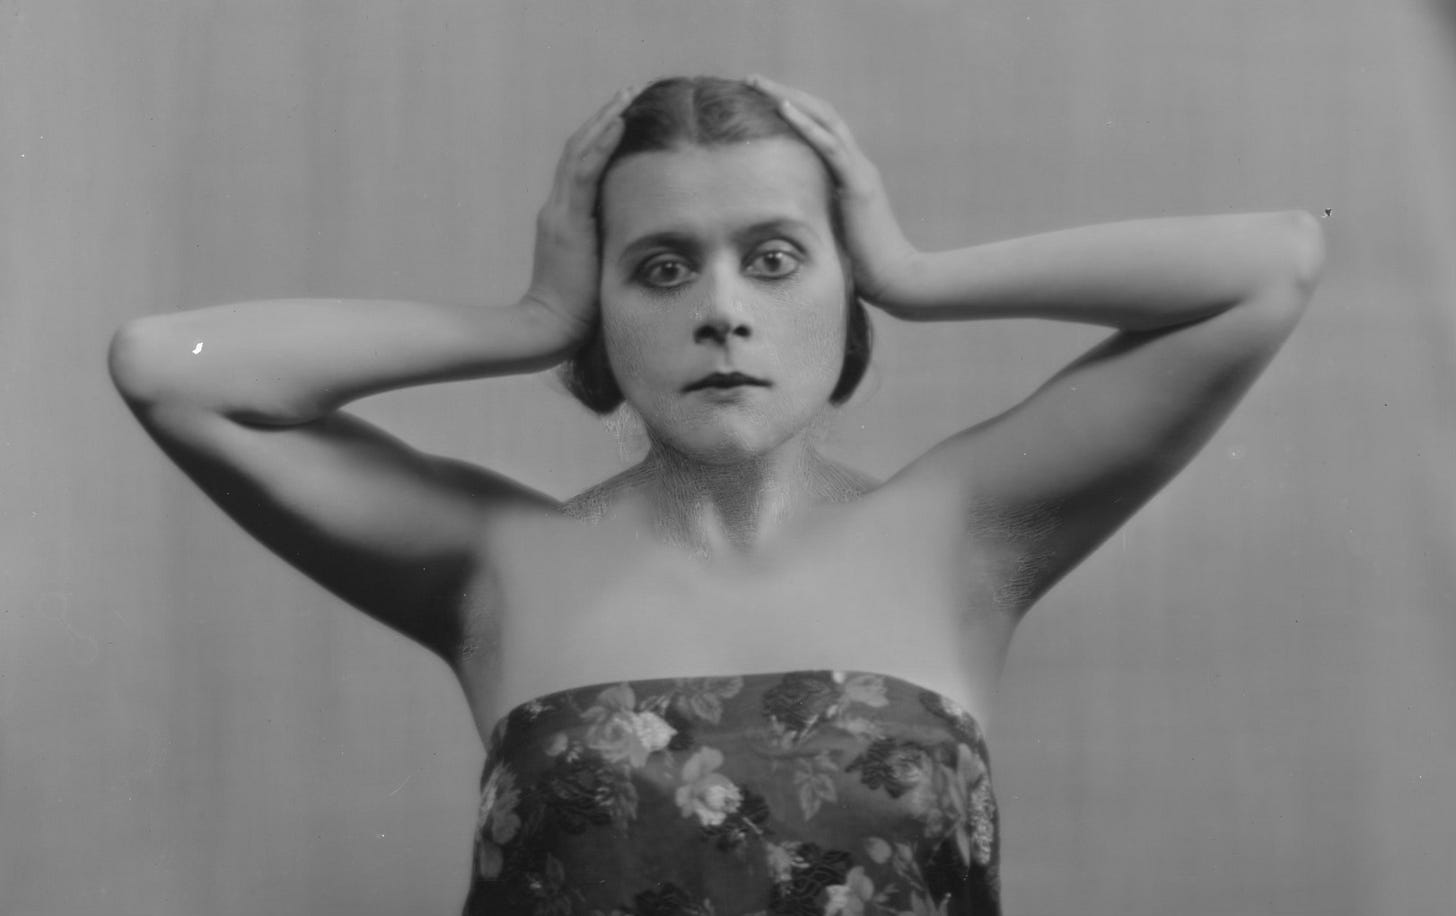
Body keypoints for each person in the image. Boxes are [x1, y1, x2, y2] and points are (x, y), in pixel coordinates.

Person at [107, 75, 1325, 916]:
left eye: (776, 255)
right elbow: (170, 371)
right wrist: (523, 319)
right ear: (604, 313)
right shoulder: (496, 563)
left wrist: (915, 271)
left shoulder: (956, 532)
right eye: (661, 267)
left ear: (839, 292)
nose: (722, 307)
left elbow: (1275, 263)